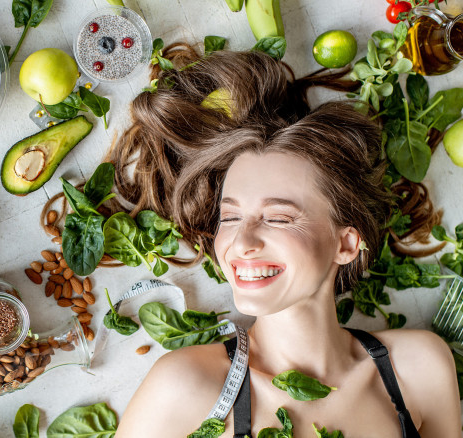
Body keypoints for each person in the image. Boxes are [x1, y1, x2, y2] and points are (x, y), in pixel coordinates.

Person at [109, 47, 461, 437]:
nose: (242, 241)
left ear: (345, 244)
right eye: (230, 217)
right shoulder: (184, 387)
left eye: (277, 218)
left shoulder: (419, 367)